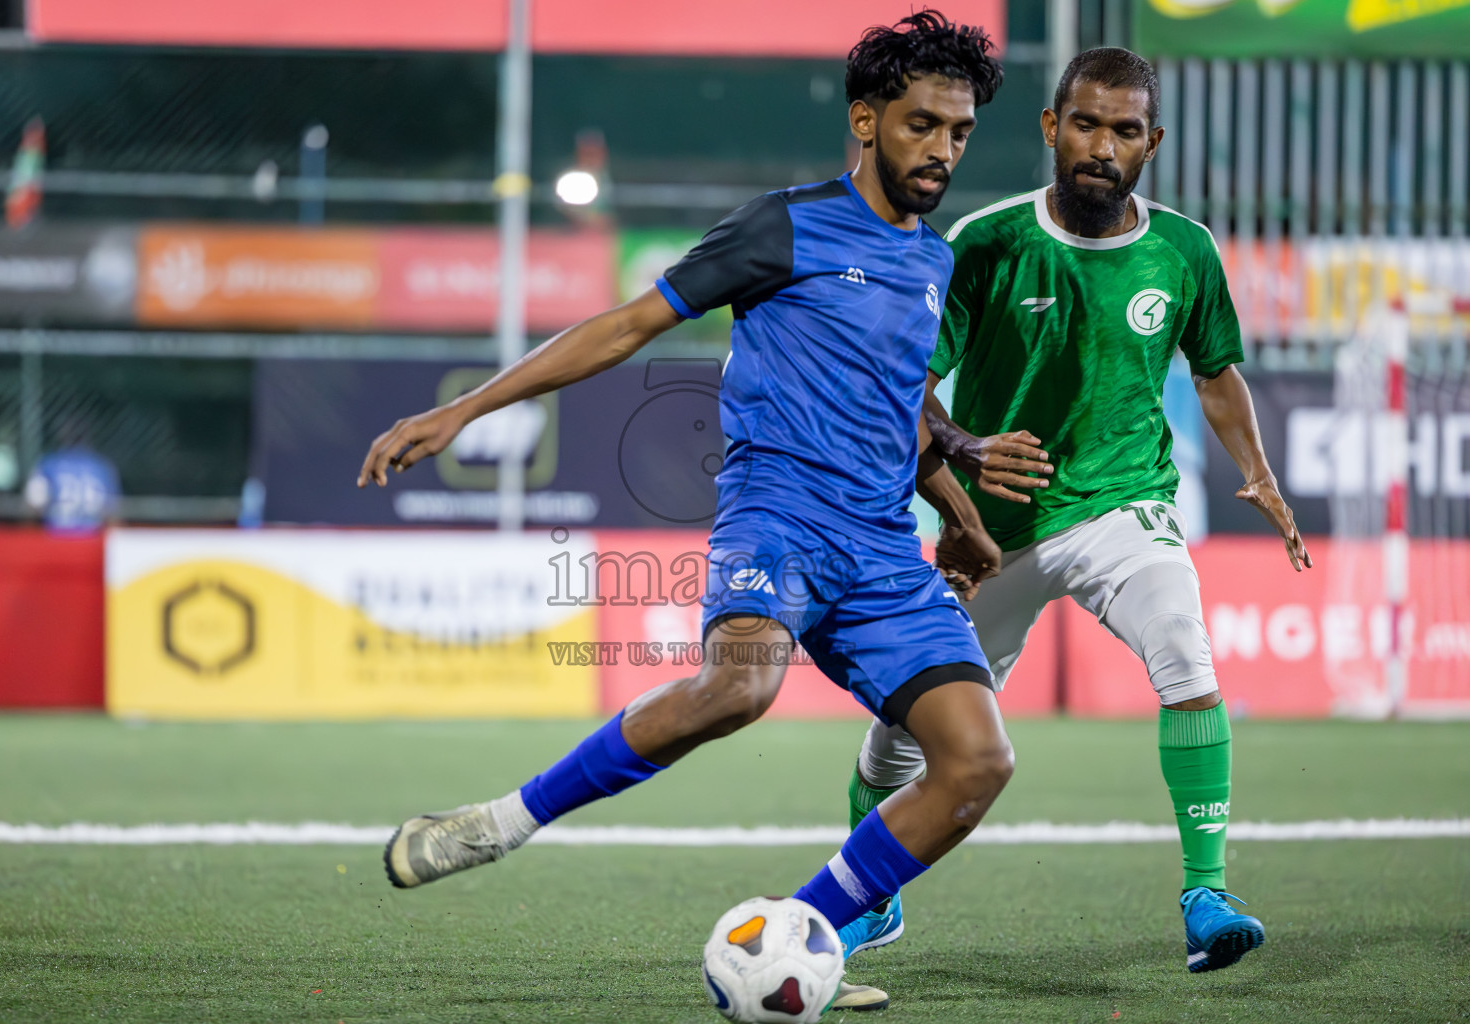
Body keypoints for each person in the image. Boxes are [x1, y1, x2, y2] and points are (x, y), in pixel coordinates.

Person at [357, 12, 1006, 1009]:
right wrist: (464, 407)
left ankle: (799, 939)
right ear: (866, 120)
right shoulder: (783, 225)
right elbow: (625, 324)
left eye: (959, 132)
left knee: (976, 763)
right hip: (777, 515)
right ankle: (498, 822)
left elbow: (899, 405)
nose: (943, 151)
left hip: (883, 546)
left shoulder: (931, 263)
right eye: (923, 125)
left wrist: (955, 509)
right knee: (739, 688)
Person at [840, 47, 1312, 976]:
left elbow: (1216, 375)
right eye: (1086, 124)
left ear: (1152, 142)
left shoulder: (1184, 249)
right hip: (988, 533)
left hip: (1121, 506)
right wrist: (967, 456)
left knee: (1184, 645)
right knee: (899, 738)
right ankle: (870, 896)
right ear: (1053, 130)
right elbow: (911, 390)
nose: (1103, 145)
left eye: (1125, 131)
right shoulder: (985, 241)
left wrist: (1256, 472)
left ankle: (1207, 893)